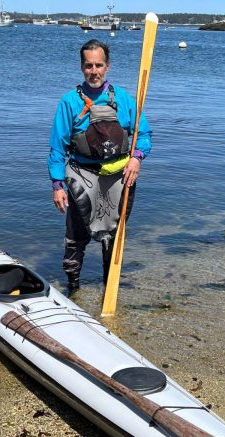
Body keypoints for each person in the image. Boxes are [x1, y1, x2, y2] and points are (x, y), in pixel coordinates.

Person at [48, 39, 152, 291]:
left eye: (98, 65)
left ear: (108, 66)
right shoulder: (69, 102)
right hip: (81, 175)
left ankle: (109, 285)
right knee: (76, 235)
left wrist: (136, 158)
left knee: (114, 234)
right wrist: (57, 184)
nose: (93, 71)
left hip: (120, 176)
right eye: (88, 65)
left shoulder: (125, 100)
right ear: (81, 67)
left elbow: (145, 135)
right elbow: (57, 147)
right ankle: (73, 288)